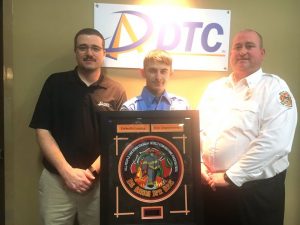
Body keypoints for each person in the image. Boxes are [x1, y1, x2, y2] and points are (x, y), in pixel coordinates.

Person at [198, 29, 297, 225]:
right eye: (237, 47)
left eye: (249, 46)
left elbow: (276, 142)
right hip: (210, 186)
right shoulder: (214, 88)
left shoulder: (275, 88)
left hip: (254, 193)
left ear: (262, 53)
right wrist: (200, 164)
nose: (242, 51)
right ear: (230, 54)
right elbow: (198, 130)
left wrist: (230, 177)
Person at [29, 28, 127, 225]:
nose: (89, 53)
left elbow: (118, 140)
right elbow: (42, 130)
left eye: (95, 48)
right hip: (56, 181)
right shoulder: (55, 83)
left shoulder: (116, 90)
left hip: (97, 183)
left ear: (104, 53)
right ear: (75, 51)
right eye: (83, 47)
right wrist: (67, 172)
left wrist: (90, 173)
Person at [120, 49, 189, 111]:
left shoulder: (181, 106)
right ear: (143, 73)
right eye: (152, 71)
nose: (158, 78)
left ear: (171, 73)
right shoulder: (130, 109)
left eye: (163, 71)